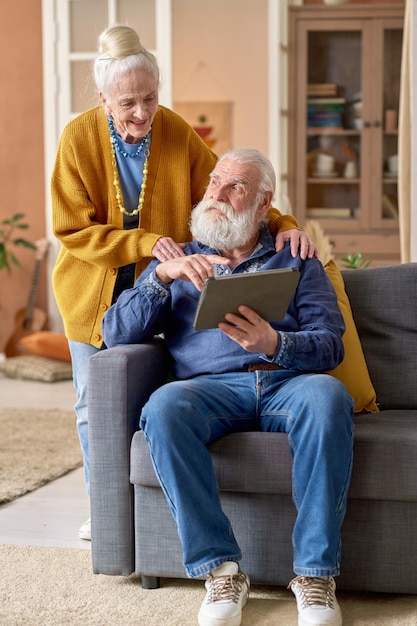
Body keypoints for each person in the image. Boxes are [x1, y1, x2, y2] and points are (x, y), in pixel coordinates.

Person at [51, 24, 316, 542]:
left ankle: (159, 501)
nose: (142, 113)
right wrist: (145, 244)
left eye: (150, 98)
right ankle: (104, 506)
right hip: (92, 293)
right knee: (93, 402)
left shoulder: (174, 132)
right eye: (128, 102)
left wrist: (284, 225)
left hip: (166, 289)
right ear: (103, 96)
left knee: (155, 392)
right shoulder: (78, 138)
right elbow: (71, 229)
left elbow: (229, 191)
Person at [102, 148, 355, 626]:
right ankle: (220, 570)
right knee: (162, 409)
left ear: (263, 205)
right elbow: (115, 333)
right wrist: (160, 277)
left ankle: (315, 576)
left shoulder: (295, 257)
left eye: (234, 187)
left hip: (286, 384)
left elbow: (330, 346)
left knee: (328, 397)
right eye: (214, 182)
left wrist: (275, 342)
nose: (216, 194)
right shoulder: (179, 259)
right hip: (208, 391)